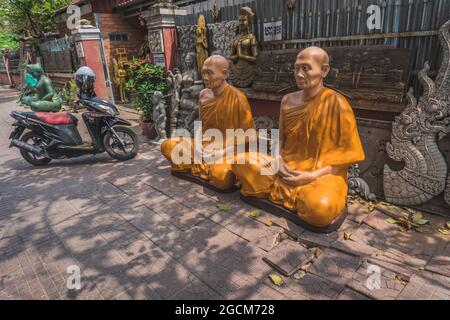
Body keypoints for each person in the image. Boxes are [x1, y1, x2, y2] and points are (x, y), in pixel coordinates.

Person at [232, 47, 365, 228]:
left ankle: (286, 193)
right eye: (296, 68)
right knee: (241, 161)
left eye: (306, 68)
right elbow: (280, 139)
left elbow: (344, 161)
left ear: (324, 70)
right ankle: (290, 194)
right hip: (284, 169)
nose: (299, 74)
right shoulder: (287, 100)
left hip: (321, 175)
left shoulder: (337, 104)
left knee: (320, 208)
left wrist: (311, 176)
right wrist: (278, 160)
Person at [161, 55, 256, 191]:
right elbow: (200, 123)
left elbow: (250, 137)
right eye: (203, 72)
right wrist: (199, 147)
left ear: (224, 74)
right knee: (167, 145)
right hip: (203, 148)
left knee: (221, 177)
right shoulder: (203, 95)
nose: (205, 77)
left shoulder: (238, 98)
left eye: (209, 73)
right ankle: (199, 164)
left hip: (228, 152)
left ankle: (207, 168)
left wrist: (221, 152)